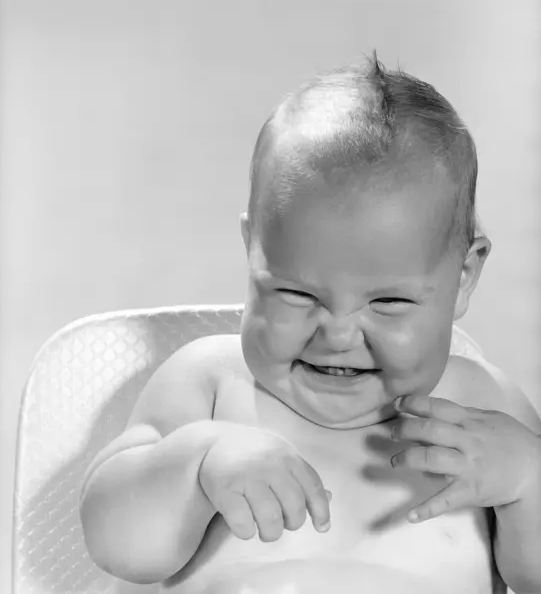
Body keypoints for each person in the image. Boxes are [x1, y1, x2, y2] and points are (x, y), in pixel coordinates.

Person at [80, 54, 541, 594]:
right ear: (253, 251)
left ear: (463, 275)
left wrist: (530, 483)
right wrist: (198, 463)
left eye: (389, 302)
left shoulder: (485, 404)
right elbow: (118, 547)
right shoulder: (211, 382)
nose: (339, 335)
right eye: (297, 293)